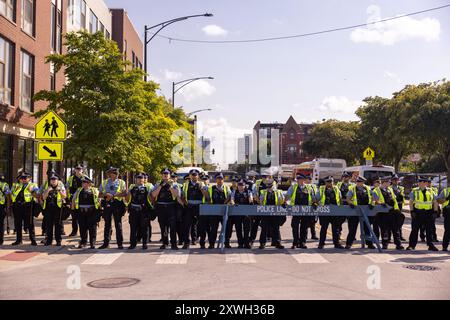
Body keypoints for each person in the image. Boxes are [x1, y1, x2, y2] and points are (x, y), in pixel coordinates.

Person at [407, 177, 439, 251]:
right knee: (415, 229)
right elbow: (411, 202)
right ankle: (411, 245)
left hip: (428, 213)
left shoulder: (431, 191)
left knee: (429, 229)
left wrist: (435, 211)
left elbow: (435, 202)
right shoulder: (414, 191)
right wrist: (412, 211)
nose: (420, 183)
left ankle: (430, 245)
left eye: (422, 182)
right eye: (419, 182)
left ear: (425, 183)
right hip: (418, 212)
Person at [285, 174, 317, 249]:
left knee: (304, 227)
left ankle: (302, 243)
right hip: (296, 210)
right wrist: (285, 201)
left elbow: (313, 197)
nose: (298, 181)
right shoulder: (293, 187)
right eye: (298, 180)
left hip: (306, 210)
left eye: (300, 179)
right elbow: (288, 195)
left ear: (303, 180)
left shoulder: (309, 187)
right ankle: (295, 242)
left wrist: (314, 203)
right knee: (295, 226)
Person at [98, 167, 127, 249]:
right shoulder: (104, 182)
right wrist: (106, 195)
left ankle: (120, 243)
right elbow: (99, 194)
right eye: (113, 173)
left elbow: (124, 193)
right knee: (107, 224)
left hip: (117, 204)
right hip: (107, 204)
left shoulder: (122, 182)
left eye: (116, 173)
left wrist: (113, 195)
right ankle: (106, 243)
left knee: (118, 224)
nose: (115, 175)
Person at [152, 169, 180, 250]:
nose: (165, 175)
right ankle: (164, 243)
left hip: (171, 207)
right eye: (164, 174)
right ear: (161, 175)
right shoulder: (158, 183)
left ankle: (174, 244)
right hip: (161, 208)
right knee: (163, 227)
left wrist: (170, 186)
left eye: (167, 174)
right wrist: (161, 186)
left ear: (170, 175)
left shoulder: (174, 184)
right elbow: (153, 195)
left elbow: (177, 194)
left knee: (173, 227)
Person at [373, 176, 404, 250]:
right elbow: (376, 200)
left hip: (392, 211)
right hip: (382, 212)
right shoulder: (376, 190)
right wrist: (381, 203)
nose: (389, 184)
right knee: (384, 229)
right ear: (384, 182)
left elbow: (394, 199)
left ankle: (398, 244)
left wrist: (397, 210)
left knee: (395, 229)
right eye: (388, 182)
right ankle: (385, 244)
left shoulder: (390, 189)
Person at [202, 173, 231, 249]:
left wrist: (225, 202)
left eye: (221, 179)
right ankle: (212, 244)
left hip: (224, 211)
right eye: (218, 178)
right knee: (214, 229)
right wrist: (205, 193)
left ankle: (227, 243)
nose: (220, 180)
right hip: (214, 211)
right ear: (216, 180)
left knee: (226, 228)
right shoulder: (211, 188)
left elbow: (229, 197)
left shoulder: (226, 188)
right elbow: (208, 198)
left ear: (223, 180)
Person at [345, 176, 375, 250]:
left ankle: (369, 244)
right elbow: (348, 198)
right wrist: (351, 203)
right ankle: (349, 244)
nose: (358, 183)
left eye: (360, 182)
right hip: (355, 211)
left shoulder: (368, 188)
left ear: (363, 182)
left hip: (366, 211)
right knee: (353, 228)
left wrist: (372, 203)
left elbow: (373, 197)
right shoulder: (352, 189)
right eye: (357, 182)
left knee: (367, 228)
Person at [10, 172, 39, 246]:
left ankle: (33, 240)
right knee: (18, 224)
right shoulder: (16, 185)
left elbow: (38, 196)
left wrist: (31, 191)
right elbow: (10, 194)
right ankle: (18, 240)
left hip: (28, 206)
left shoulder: (33, 185)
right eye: (21, 178)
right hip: (17, 206)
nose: (23, 180)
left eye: (25, 178)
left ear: (30, 178)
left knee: (30, 224)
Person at [71, 176, 100, 249]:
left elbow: (99, 201)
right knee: (82, 228)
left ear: (89, 183)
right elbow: (74, 200)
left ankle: (92, 243)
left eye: (85, 182)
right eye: (83, 182)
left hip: (92, 212)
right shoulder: (79, 190)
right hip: (81, 212)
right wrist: (73, 210)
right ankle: (83, 242)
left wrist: (99, 212)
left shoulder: (95, 190)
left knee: (92, 228)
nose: (83, 184)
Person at [316, 176, 344, 249]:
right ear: (325, 182)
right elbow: (317, 198)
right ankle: (321, 243)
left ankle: (336, 243)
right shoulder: (321, 189)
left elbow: (340, 199)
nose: (330, 183)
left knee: (336, 229)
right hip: (325, 211)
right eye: (328, 182)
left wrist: (340, 209)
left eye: (331, 181)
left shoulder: (336, 188)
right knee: (324, 228)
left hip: (335, 211)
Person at [180, 169, 205, 249]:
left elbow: (207, 196)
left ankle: (202, 243)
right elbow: (182, 196)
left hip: (199, 206)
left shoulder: (202, 184)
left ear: (198, 176)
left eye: (195, 175)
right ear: (190, 176)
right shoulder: (185, 184)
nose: (194, 176)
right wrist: (185, 204)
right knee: (186, 226)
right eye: (192, 175)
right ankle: (186, 243)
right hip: (189, 206)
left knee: (201, 225)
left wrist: (202, 189)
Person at [126, 173, 152, 250]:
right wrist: (128, 192)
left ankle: (144, 244)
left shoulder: (147, 188)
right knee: (133, 228)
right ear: (136, 179)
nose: (140, 179)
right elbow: (127, 199)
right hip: (134, 210)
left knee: (144, 228)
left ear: (144, 179)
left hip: (143, 210)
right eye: (138, 178)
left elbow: (151, 199)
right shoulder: (132, 188)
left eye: (141, 178)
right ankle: (133, 244)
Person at [259, 181, 284, 249]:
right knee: (264, 228)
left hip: (275, 212)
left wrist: (284, 203)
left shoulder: (279, 192)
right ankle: (262, 243)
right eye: (268, 187)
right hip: (266, 212)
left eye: (271, 186)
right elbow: (261, 201)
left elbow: (283, 200)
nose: (269, 188)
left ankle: (277, 242)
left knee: (276, 228)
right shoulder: (263, 192)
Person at [42, 175, 66, 246]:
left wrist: (59, 191)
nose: (53, 181)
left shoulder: (60, 187)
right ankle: (49, 241)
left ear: (57, 181)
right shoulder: (48, 187)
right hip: (48, 209)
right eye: (52, 179)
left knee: (58, 225)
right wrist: (47, 191)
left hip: (58, 209)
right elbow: (43, 197)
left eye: (54, 180)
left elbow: (65, 196)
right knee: (49, 225)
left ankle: (58, 240)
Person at [230, 179, 253, 249]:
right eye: (239, 185)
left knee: (247, 229)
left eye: (242, 185)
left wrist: (251, 200)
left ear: (245, 185)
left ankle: (246, 243)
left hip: (246, 213)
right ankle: (240, 243)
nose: (240, 186)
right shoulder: (234, 192)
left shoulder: (248, 191)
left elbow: (251, 199)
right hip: (237, 213)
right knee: (238, 229)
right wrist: (233, 203)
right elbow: (232, 199)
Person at [66, 165, 86, 237]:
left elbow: (90, 186)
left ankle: (83, 232)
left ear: (82, 170)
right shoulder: (71, 178)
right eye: (77, 169)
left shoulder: (85, 178)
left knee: (82, 217)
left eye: (80, 169)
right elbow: (67, 188)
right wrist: (68, 199)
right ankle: (74, 232)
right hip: (73, 200)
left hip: (83, 199)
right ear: (75, 170)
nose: (78, 170)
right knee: (74, 217)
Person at [336, 172, 353, 239]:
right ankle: (338, 233)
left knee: (351, 221)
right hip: (342, 204)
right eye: (343, 177)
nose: (345, 178)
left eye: (346, 177)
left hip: (350, 205)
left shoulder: (352, 185)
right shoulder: (339, 184)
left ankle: (351, 235)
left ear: (349, 177)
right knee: (340, 220)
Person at [391, 174, 406, 241]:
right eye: (394, 180)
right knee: (391, 221)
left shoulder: (401, 188)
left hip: (399, 206)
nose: (395, 181)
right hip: (392, 206)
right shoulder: (389, 188)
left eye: (396, 180)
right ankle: (389, 237)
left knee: (399, 222)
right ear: (392, 181)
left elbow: (402, 196)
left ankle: (400, 235)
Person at [436, 185, 450, 251]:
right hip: (448, 213)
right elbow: (438, 200)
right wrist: (446, 199)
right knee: (448, 230)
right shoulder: (446, 191)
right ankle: (445, 246)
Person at [305, 175, 319, 240]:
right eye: (308, 179)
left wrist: (316, 203)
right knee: (305, 222)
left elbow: (316, 195)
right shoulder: (304, 186)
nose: (310, 180)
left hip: (313, 206)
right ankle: (305, 236)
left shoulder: (314, 186)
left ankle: (313, 235)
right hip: (306, 206)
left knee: (313, 221)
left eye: (310, 179)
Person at [0, 174, 11, 245]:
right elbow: (8, 196)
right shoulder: (4, 185)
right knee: (1, 224)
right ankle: (0, 240)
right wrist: (8, 207)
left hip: (1, 206)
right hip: (1, 206)